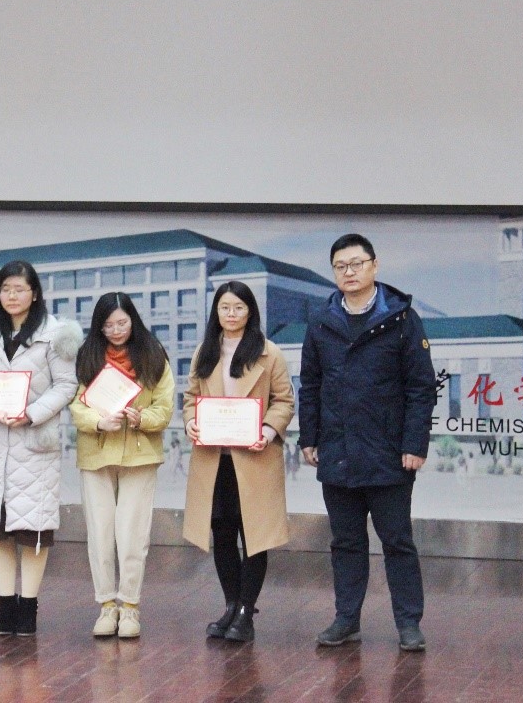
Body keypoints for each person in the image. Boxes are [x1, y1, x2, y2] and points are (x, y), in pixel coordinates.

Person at [300, 233, 436, 652]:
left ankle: (409, 623)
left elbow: (421, 387)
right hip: (337, 451)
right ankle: (346, 619)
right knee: (346, 543)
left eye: (357, 263)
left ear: (375, 266)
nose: (349, 272)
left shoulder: (401, 318)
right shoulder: (321, 321)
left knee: (397, 541)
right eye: (341, 266)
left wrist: (414, 443)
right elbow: (310, 384)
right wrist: (309, 437)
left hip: (388, 453)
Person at [0, 260, 81, 636]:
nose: (12, 296)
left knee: (33, 533)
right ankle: (6, 606)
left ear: (35, 293)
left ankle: (28, 607)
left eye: (19, 289)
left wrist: (31, 414)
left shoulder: (54, 335)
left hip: (33, 444)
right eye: (5, 289)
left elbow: (66, 386)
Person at [183, 281, 295, 643]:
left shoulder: (269, 352)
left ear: (250, 312)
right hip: (215, 458)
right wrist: (191, 421)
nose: (231, 315)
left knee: (255, 536)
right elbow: (190, 398)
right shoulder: (205, 351)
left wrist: (268, 430)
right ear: (216, 312)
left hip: (254, 458)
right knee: (222, 532)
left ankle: (246, 611)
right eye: (224, 308)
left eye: (238, 308)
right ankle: (231, 605)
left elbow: (284, 401)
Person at [68, 292, 174, 638]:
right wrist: (98, 422)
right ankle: (106, 605)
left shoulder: (153, 354)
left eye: (122, 323)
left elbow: (165, 407)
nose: (116, 330)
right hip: (97, 453)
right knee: (99, 532)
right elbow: (77, 405)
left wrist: (143, 418)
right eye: (108, 325)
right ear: (98, 326)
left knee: (132, 533)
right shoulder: (88, 355)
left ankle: (130, 606)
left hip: (140, 454)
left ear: (133, 320)